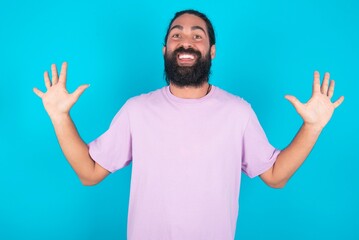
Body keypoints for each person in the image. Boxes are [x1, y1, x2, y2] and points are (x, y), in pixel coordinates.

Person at [33, 9, 344, 240]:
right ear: (166, 50)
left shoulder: (238, 112)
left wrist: (312, 127)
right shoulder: (137, 110)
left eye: (198, 35)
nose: (186, 41)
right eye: (176, 34)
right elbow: (89, 173)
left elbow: (275, 176)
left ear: (211, 51)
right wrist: (60, 117)